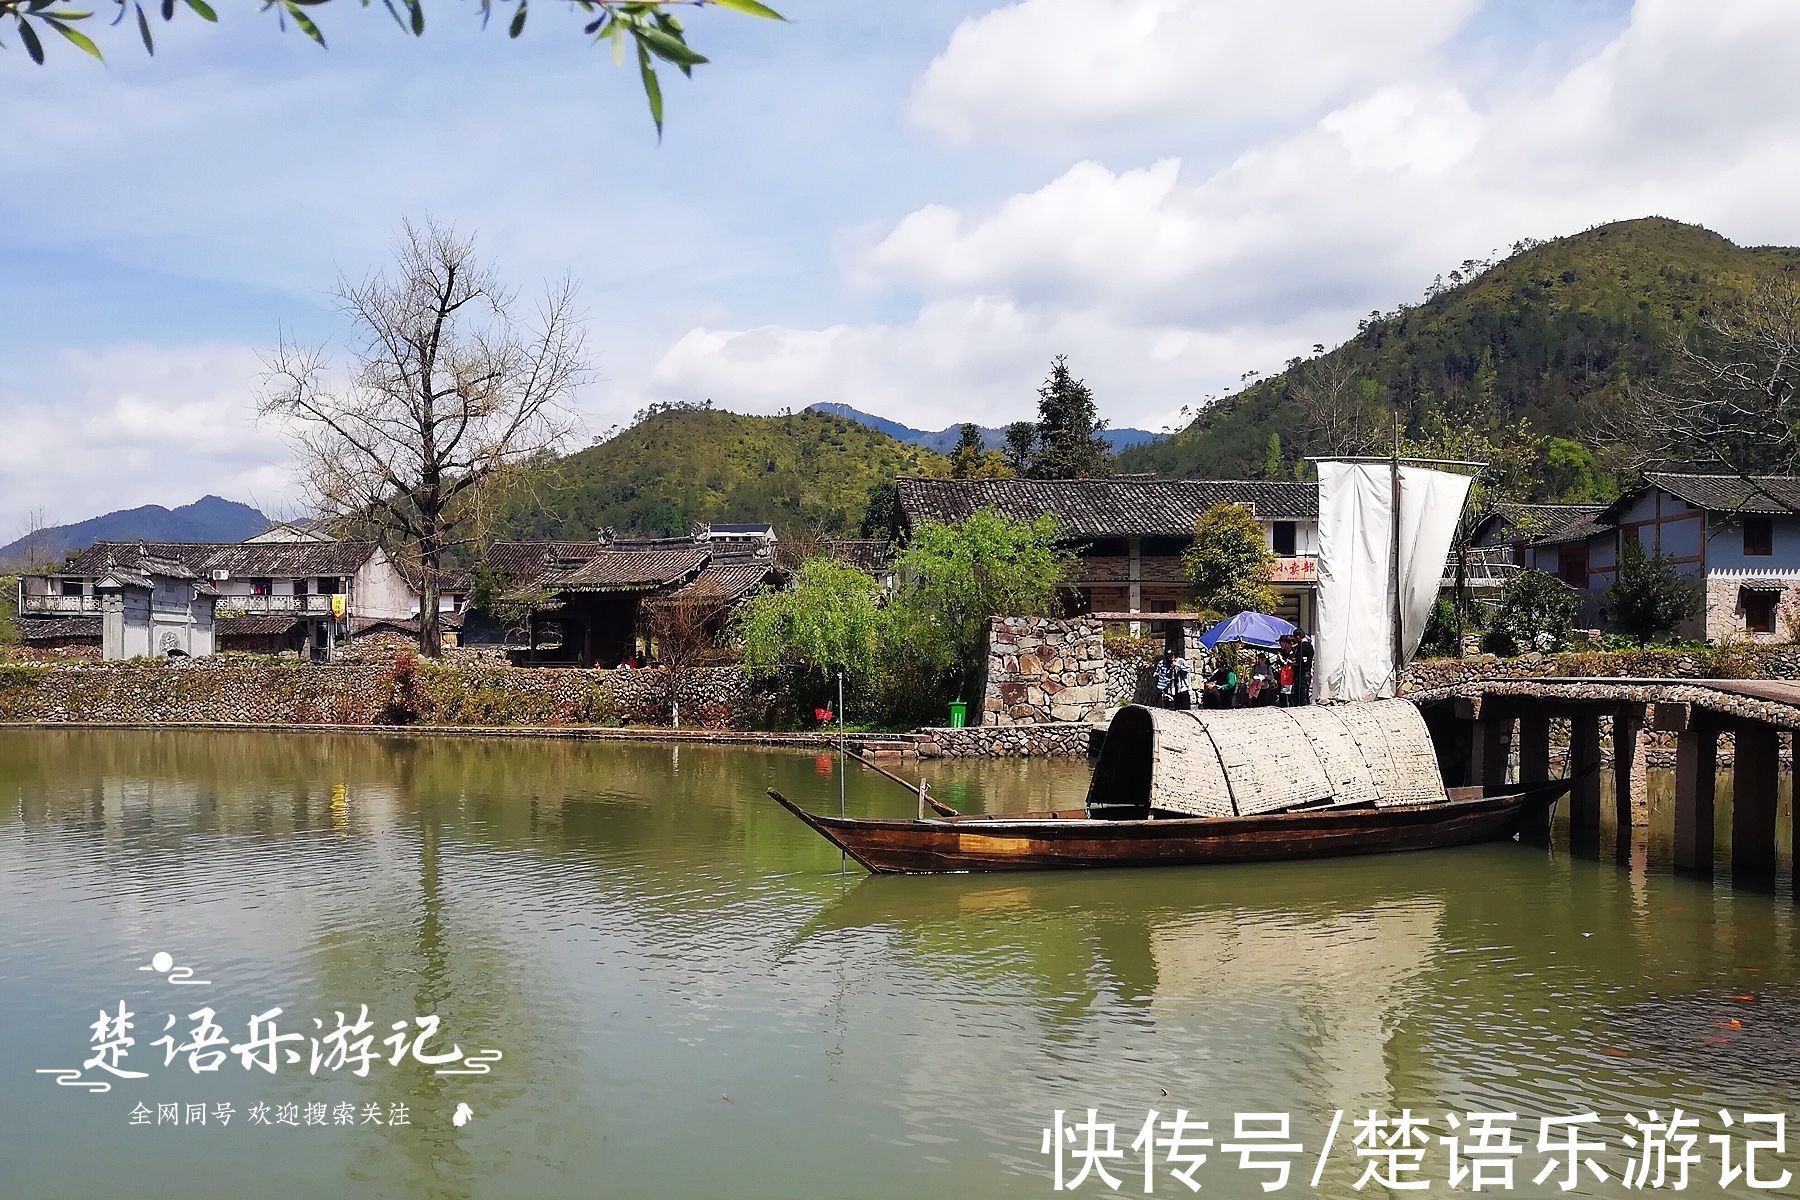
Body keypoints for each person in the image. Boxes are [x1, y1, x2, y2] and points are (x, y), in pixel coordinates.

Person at [1292, 632, 1315, 705]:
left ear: (1298, 637)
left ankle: (1302, 705)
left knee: (1301, 691)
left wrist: (1293, 663)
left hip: (1301, 672)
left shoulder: (1302, 646)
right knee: (1305, 690)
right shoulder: (1310, 646)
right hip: (1307, 670)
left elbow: (1300, 660)